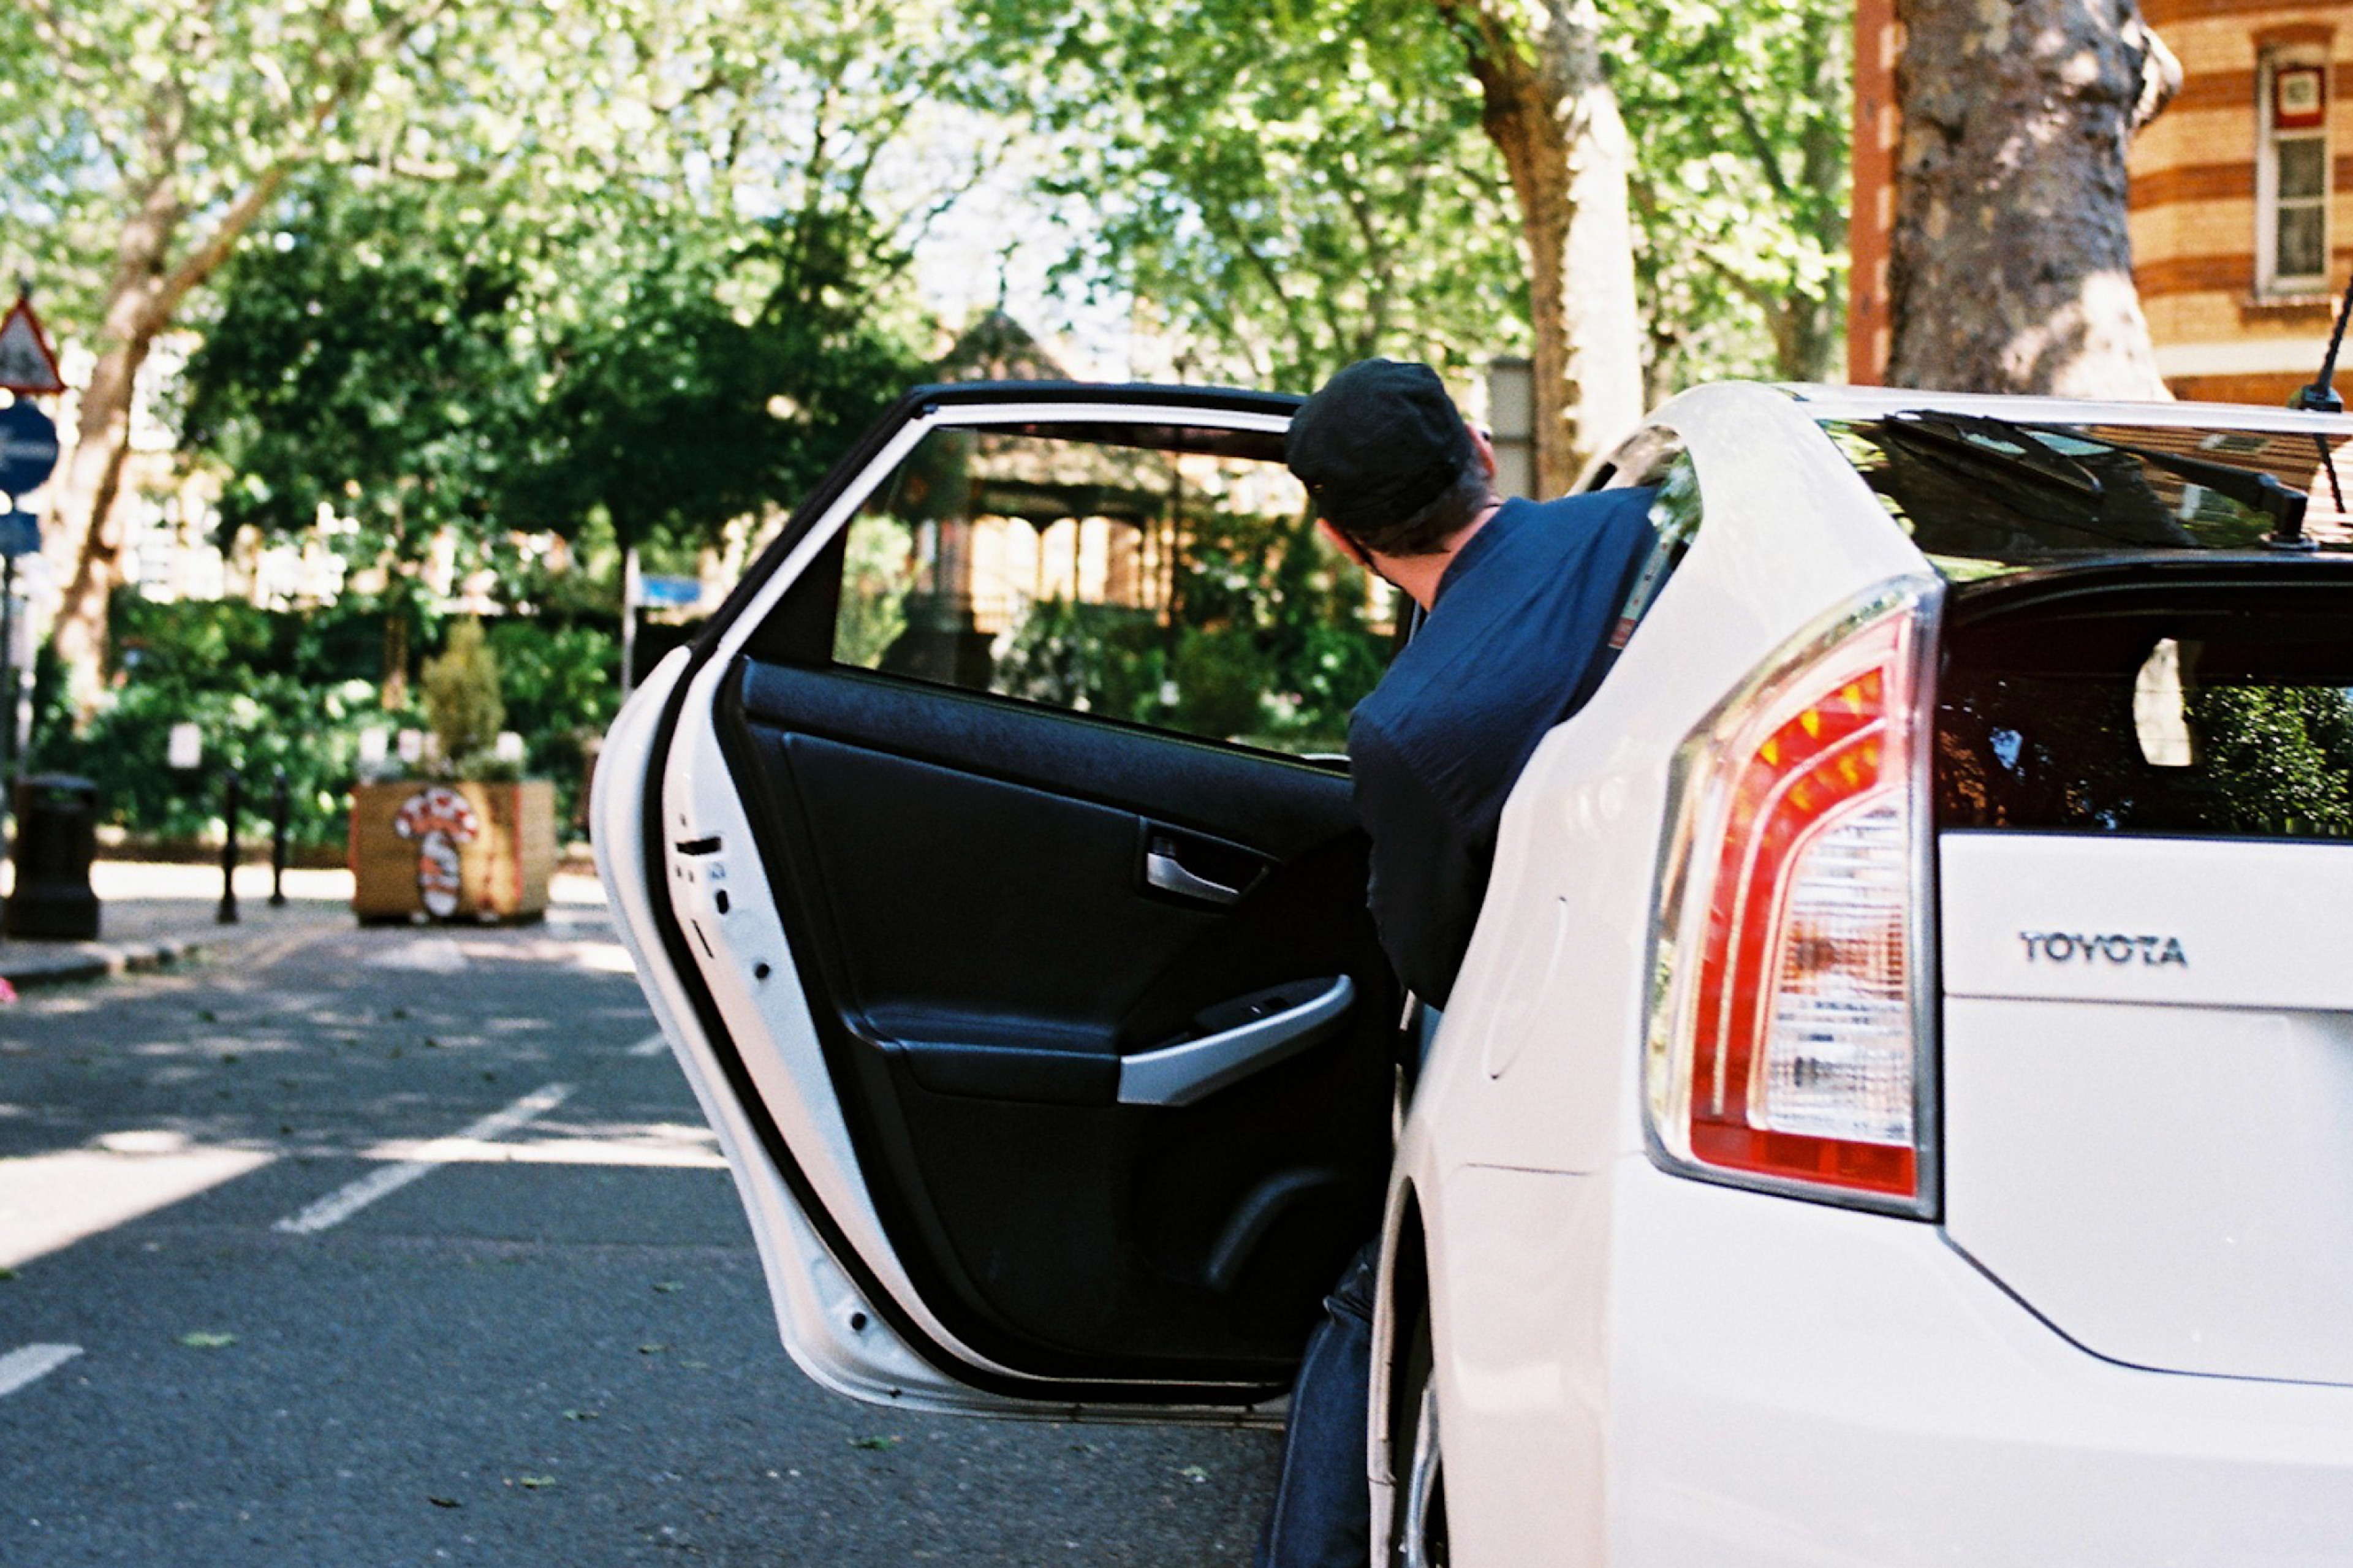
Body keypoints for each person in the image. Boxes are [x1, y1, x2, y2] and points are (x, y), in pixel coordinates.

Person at [1257, 359, 1657, 1568]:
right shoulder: (1634, 523)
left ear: (1340, 536)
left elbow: (1434, 956)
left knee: (1362, 1301)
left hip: (1556, 1055)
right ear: (1481, 448)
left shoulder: (1408, 730)